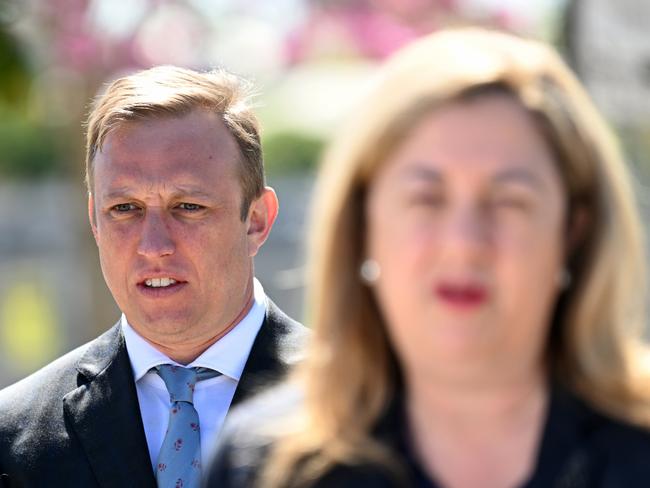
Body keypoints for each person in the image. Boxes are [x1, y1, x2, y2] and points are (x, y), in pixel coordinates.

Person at [205, 27, 650, 487]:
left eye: (509, 201)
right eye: (427, 198)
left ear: (573, 231)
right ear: (363, 225)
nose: (463, 241)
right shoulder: (262, 468)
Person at [0, 66, 308, 487]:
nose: (153, 244)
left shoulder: (373, 409)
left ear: (255, 220)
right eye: (125, 209)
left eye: (188, 206)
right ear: (94, 220)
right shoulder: (13, 437)